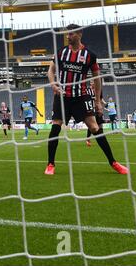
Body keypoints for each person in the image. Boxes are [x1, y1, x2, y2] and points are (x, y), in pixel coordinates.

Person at [44, 24, 128, 175]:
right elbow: (51, 70)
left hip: (81, 97)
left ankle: (114, 162)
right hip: (62, 97)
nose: (68, 37)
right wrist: (53, 84)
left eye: (71, 34)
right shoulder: (61, 52)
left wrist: (97, 101)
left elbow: (97, 79)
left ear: (79, 34)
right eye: (67, 34)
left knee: (95, 128)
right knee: (55, 127)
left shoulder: (90, 55)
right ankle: (50, 164)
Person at [85, 80, 106, 147]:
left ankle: (102, 139)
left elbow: (100, 99)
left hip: (98, 110)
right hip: (91, 110)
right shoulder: (88, 91)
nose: (91, 83)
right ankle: (88, 139)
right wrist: (94, 99)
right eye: (91, 82)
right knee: (92, 125)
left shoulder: (99, 90)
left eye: (93, 82)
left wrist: (103, 104)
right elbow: (87, 99)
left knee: (100, 124)